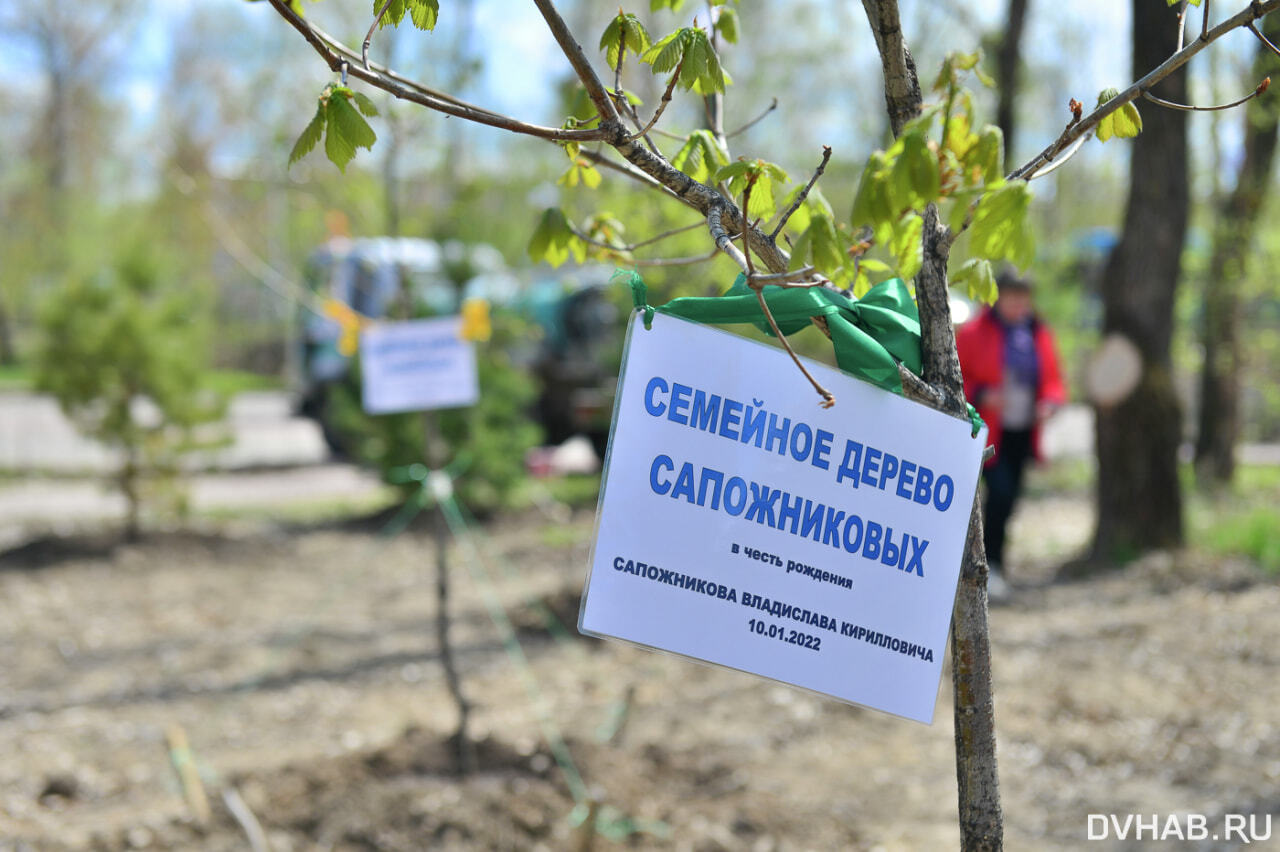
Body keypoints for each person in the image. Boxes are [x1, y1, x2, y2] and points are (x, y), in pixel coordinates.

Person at [956, 268, 1066, 597]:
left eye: (1024, 297)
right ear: (997, 295)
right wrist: (982, 395)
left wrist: (1049, 402)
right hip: (988, 433)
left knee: (1009, 500)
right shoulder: (974, 331)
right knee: (997, 495)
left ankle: (997, 567)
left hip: (1022, 433)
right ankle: (982, 568)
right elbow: (956, 378)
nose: (1019, 304)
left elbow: (1053, 380)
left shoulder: (1037, 332)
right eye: (1012, 296)